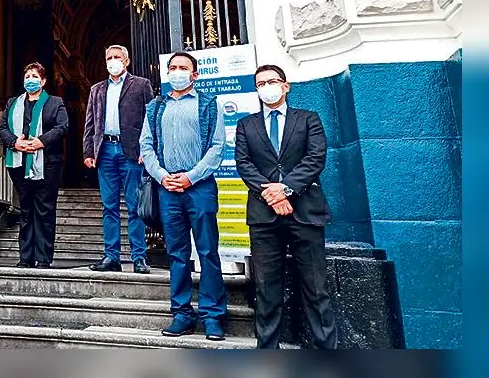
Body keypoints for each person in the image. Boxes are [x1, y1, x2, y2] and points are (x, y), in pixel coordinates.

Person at [235, 64, 336, 349]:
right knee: (266, 291)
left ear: (286, 85)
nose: (266, 87)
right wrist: (272, 195)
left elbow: (315, 159)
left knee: (316, 290)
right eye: (260, 83)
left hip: (305, 214)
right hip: (264, 217)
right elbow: (244, 164)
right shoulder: (246, 125)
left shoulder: (308, 120)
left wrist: (285, 189)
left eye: (272, 81)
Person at [139, 51, 228, 341]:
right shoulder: (155, 107)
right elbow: (147, 146)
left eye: (183, 68)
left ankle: (212, 316)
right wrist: (163, 176)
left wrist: (191, 177)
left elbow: (217, 147)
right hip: (167, 188)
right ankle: (181, 313)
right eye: (172, 67)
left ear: (194, 75)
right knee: (176, 254)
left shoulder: (208, 105)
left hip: (199, 186)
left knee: (207, 252)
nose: (177, 71)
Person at [82, 44, 154, 274]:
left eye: (117, 57)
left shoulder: (141, 85)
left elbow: (150, 119)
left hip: (131, 151)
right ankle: (111, 256)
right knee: (109, 207)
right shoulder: (97, 89)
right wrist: (88, 151)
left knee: (134, 206)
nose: (112, 61)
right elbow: (90, 122)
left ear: (126, 60)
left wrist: (148, 149)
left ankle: (139, 258)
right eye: (109, 57)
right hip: (105, 151)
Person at [0, 62, 69, 268]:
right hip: (19, 162)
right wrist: (14, 142)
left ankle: (44, 257)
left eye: (35, 76)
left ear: (43, 81)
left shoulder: (55, 103)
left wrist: (41, 141)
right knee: (26, 209)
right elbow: (2, 127)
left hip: (48, 163)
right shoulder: (13, 103)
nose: (30, 80)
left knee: (45, 209)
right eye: (27, 76)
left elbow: (63, 126)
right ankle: (26, 257)